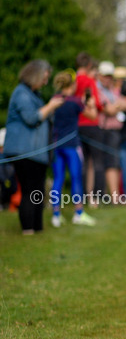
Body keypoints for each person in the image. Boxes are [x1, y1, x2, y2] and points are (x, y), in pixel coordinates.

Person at [3, 60, 65, 234]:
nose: (45, 82)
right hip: (24, 151)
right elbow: (31, 118)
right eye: (44, 78)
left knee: (38, 190)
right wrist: (51, 106)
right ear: (35, 75)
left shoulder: (35, 95)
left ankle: (37, 228)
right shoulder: (21, 93)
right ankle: (28, 229)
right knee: (30, 189)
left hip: (38, 153)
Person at [49, 71, 98, 227]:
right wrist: (90, 104)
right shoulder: (76, 102)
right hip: (72, 146)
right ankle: (79, 213)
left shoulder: (54, 100)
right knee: (76, 177)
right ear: (72, 85)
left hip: (56, 145)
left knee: (58, 179)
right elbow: (92, 116)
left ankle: (56, 215)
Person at [96, 61, 126, 198]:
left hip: (114, 131)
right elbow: (108, 110)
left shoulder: (112, 91)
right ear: (99, 75)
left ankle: (114, 197)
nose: (108, 79)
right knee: (104, 163)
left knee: (114, 163)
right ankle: (105, 196)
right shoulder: (97, 90)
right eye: (105, 76)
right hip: (103, 130)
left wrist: (114, 106)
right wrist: (117, 106)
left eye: (110, 76)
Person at [73, 53, 105, 200]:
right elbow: (97, 103)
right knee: (97, 161)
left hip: (77, 125)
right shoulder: (89, 81)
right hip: (91, 124)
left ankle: (85, 196)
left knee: (84, 162)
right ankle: (97, 197)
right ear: (88, 66)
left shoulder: (72, 81)